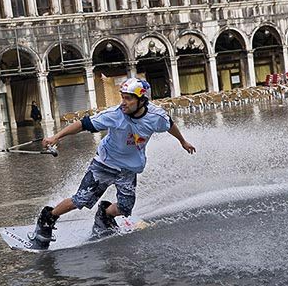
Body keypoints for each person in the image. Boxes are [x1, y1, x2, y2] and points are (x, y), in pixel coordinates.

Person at [30, 78, 196, 249]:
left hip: (128, 169)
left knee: (125, 208)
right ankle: (48, 217)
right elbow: (82, 124)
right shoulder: (115, 115)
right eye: (122, 97)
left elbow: (170, 125)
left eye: (128, 98)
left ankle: (104, 214)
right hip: (104, 164)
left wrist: (183, 141)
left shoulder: (156, 116)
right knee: (80, 200)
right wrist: (55, 137)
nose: (123, 102)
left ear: (142, 100)